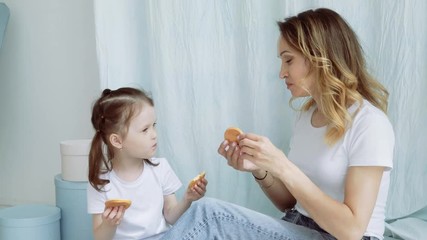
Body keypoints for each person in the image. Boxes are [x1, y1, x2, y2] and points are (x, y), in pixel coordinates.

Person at [160, 8, 394, 240]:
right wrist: (260, 169)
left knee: (208, 215)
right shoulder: (307, 116)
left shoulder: (370, 124)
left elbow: (351, 230)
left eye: (288, 60)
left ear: (320, 57)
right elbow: (290, 203)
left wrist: (282, 165)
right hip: (299, 225)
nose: (282, 73)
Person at [87, 87, 208, 240]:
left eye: (154, 126)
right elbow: (100, 238)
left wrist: (188, 199)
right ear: (117, 141)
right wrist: (109, 224)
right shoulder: (100, 182)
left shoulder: (160, 168)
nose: (154, 135)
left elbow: (171, 217)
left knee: (207, 212)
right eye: (145, 129)